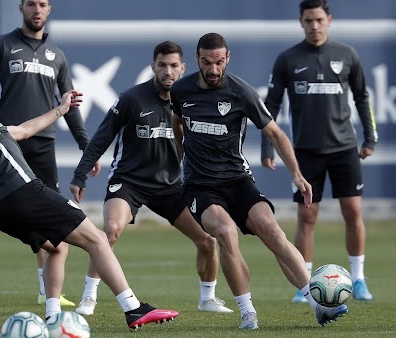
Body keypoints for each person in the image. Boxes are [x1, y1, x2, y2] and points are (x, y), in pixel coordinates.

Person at [0, 72, 179, 331]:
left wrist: (60, 109)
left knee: (57, 247)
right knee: (98, 239)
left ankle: (52, 317)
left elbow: (23, 131)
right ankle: (133, 308)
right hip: (23, 193)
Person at [170, 32, 348, 330]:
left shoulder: (241, 92)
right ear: (197, 59)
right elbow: (178, 123)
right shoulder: (181, 90)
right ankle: (247, 312)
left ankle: (317, 303)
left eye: (218, 62)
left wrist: (297, 174)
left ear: (227, 58)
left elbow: (276, 134)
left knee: (272, 231)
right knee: (226, 233)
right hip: (200, 185)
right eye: (206, 62)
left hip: (238, 180)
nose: (213, 70)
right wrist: (182, 157)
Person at [69, 41, 232, 316]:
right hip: (129, 182)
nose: (168, 71)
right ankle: (89, 297)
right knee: (109, 232)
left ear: (183, 68)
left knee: (207, 239)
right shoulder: (132, 99)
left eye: (173, 66)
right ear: (153, 67)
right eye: (162, 65)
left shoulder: (193, 101)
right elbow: (101, 138)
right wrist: (79, 175)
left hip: (171, 187)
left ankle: (207, 299)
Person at [0, 0, 98, 306]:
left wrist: (86, 146)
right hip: (7, 139)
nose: (37, 10)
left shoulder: (58, 56)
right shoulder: (2, 45)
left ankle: (47, 291)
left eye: (42, 4)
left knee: (49, 216)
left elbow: (69, 103)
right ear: (21, 8)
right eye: (31, 4)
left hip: (43, 142)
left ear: (50, 9)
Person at [261, 0, 377, 303]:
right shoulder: (287, 59)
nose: (314, 26)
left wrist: (370, 138)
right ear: (301, 21)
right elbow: (269, 107)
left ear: (329, 20)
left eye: (319, 20)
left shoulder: (347, 55)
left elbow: (363, 98)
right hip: (306, 152)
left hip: (344, 149)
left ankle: (360, 279)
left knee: (353, 212)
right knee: (307, 215)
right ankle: (307, 282)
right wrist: (267, 147)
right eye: (308, 20)